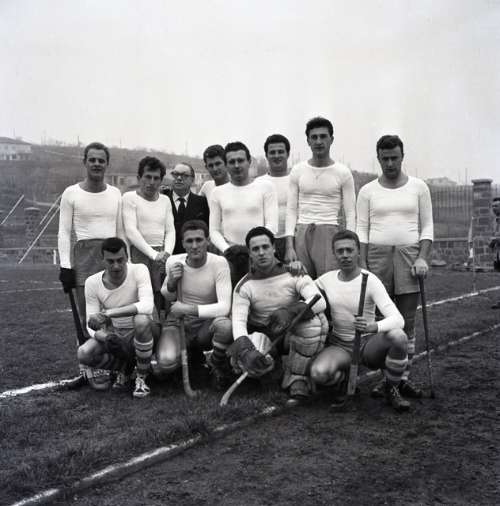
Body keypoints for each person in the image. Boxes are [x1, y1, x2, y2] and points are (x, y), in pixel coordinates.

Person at [356, 135, 433, 398]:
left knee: (407, 322)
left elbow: (427, 226)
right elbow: (361, 229)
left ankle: (401, 380)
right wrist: (363, 262)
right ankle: (386, 380)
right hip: (377, 257)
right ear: (378, 158)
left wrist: (422, 257)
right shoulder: (367, 191)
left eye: (394, 158)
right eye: (385, 158)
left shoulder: (419, 187)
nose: (390, 163)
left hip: (409, 256)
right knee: (384, 323)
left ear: (402, 157)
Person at [311, 230, 411, 412]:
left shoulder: (370, 280)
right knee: (319, 374)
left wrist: (372, 326)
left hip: (367, 345)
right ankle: (345, 379)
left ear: (358, 252)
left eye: (349, 250)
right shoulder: (326, 279)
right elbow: (305, 289)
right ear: (334, 254)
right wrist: (296, 271)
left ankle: (391, 388)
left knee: (399, 337)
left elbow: (398, 319)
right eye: (340, 251)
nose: (345, 255)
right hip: (340, 345)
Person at [229, 227, 327, 402]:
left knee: (315, 323)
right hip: (266, 335)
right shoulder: (244, 286)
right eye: (255, 249)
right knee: (250, 354)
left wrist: (290, 311)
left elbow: (320, 302)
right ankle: (270, 374)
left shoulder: (294, 273)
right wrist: (246, 350)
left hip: (292, 333)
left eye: (265, 247)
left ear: (274, 248)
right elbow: (238, 322)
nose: (261, 253)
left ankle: (297, 378)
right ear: (250, 253)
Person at [57, 142, 123, 385]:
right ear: (85, 162)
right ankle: (86, 370)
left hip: (111, 256)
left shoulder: (115, 194)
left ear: (107, 164)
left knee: (113, 316)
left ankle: (118, 368)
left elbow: (120, 231)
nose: (96, 164)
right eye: (92, 159)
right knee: (87, 317)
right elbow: (64, 232)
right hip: (84, 256)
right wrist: (65, 266)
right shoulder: (71, 193)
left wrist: (124, 260)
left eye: (101, 160)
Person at [77, 237, 160, 397]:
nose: (116, 266)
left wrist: (109, 313)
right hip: (117, 334)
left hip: (144, 331)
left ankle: (141, 378)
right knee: (84, 353)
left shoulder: (139, 269)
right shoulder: (92, 282)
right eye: (110, 261)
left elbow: (147, 306)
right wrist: (105, 337)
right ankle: (125, 368)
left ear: (127, 257)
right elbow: (90, 323)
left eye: (120, 260)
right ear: (102, 260)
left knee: (141, 320)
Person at [157, 220, 233, 388]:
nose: (194, 246)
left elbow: (224, 307)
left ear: (208, 241)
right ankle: (190, 358)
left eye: (199, 240)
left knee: (225, 326)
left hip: (206, 323)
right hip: (178, 321)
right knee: (166, 362)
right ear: (183, 243)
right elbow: (167, 295)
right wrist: (171, 282)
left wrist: (188, 308)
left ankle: (216, 364)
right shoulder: (174, 262)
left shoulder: (219, 263)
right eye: (189, 241)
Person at [285, 116, 356, 278]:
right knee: (302, 282)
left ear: (331, 139)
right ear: (308, 141)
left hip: (329, 230)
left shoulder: (342, 172)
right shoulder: (298, 170)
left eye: (323, 136)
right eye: (314, 137)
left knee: (328, 282)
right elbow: (291, 210)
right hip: (302, 231)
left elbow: (350, 213)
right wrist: (290, 246)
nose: (318, 141)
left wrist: (351, 244)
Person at [209, 141, 278, 285]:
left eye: (240, 160)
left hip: (259, 253)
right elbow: (214, 230)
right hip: (230, 256)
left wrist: (256, 248)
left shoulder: (266, 187)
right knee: (233, 293)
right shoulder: (217, 192)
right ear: (226, 165)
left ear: (249, 161)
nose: (236, 165)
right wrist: (228, 250)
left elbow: (272, 224)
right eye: (231, 162)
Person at [122, 156, 175, 314]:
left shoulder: (165, 200)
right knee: (142, 298)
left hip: (161, 255)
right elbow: (131, 230)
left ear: (161, 180)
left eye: (156, 178)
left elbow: (170, 230)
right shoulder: (129, 198)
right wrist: (153, 255)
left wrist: (167, 253)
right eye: (147, 177)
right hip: (140, 253)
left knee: (161, 297)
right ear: (139, 178)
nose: (151, 182)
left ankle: (160, 327)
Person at [256, 134, 291, 261]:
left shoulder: (296, 180)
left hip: (293, 240)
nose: (276, 156)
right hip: (266, 241)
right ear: (266, 155)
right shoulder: (258, 183)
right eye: (272, 152)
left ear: (288, 154)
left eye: (280, 152)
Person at [163, 162, 209, 254]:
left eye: (184, 175)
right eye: (175, 174)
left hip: (194, 255)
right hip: (166, 255)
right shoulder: (162, 200)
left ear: (192, 179)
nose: (179, 178)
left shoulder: (202, 202)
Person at [490, 197, 500, 308]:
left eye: (496, 206)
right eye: (493, 206)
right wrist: (492, 243)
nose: (494, 208)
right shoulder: (495, 221)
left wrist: (496, 240)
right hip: (498, 253)